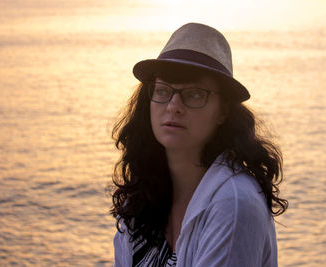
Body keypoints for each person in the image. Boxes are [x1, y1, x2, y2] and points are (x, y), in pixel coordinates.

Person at [110, 22, 288, 267]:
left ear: (223, 110)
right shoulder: (140, 202)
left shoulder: (234, 203)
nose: (173, 106)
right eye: (162, 91)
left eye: (194, 94)